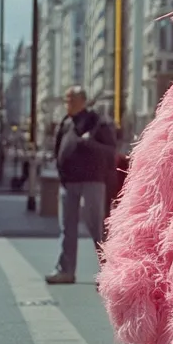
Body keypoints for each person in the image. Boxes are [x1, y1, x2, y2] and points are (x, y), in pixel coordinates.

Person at [46, 86, 117, 284]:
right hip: (69, 182)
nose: (68, 103)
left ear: (83, 101)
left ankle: (108, 272)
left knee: (96, 227)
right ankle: (65, 270)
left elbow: (110, 150)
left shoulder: (96, 122)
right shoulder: (65, 122)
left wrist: (89, 144)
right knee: (66, 228)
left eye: (72, 99)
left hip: (92, 181)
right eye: (66, 99)